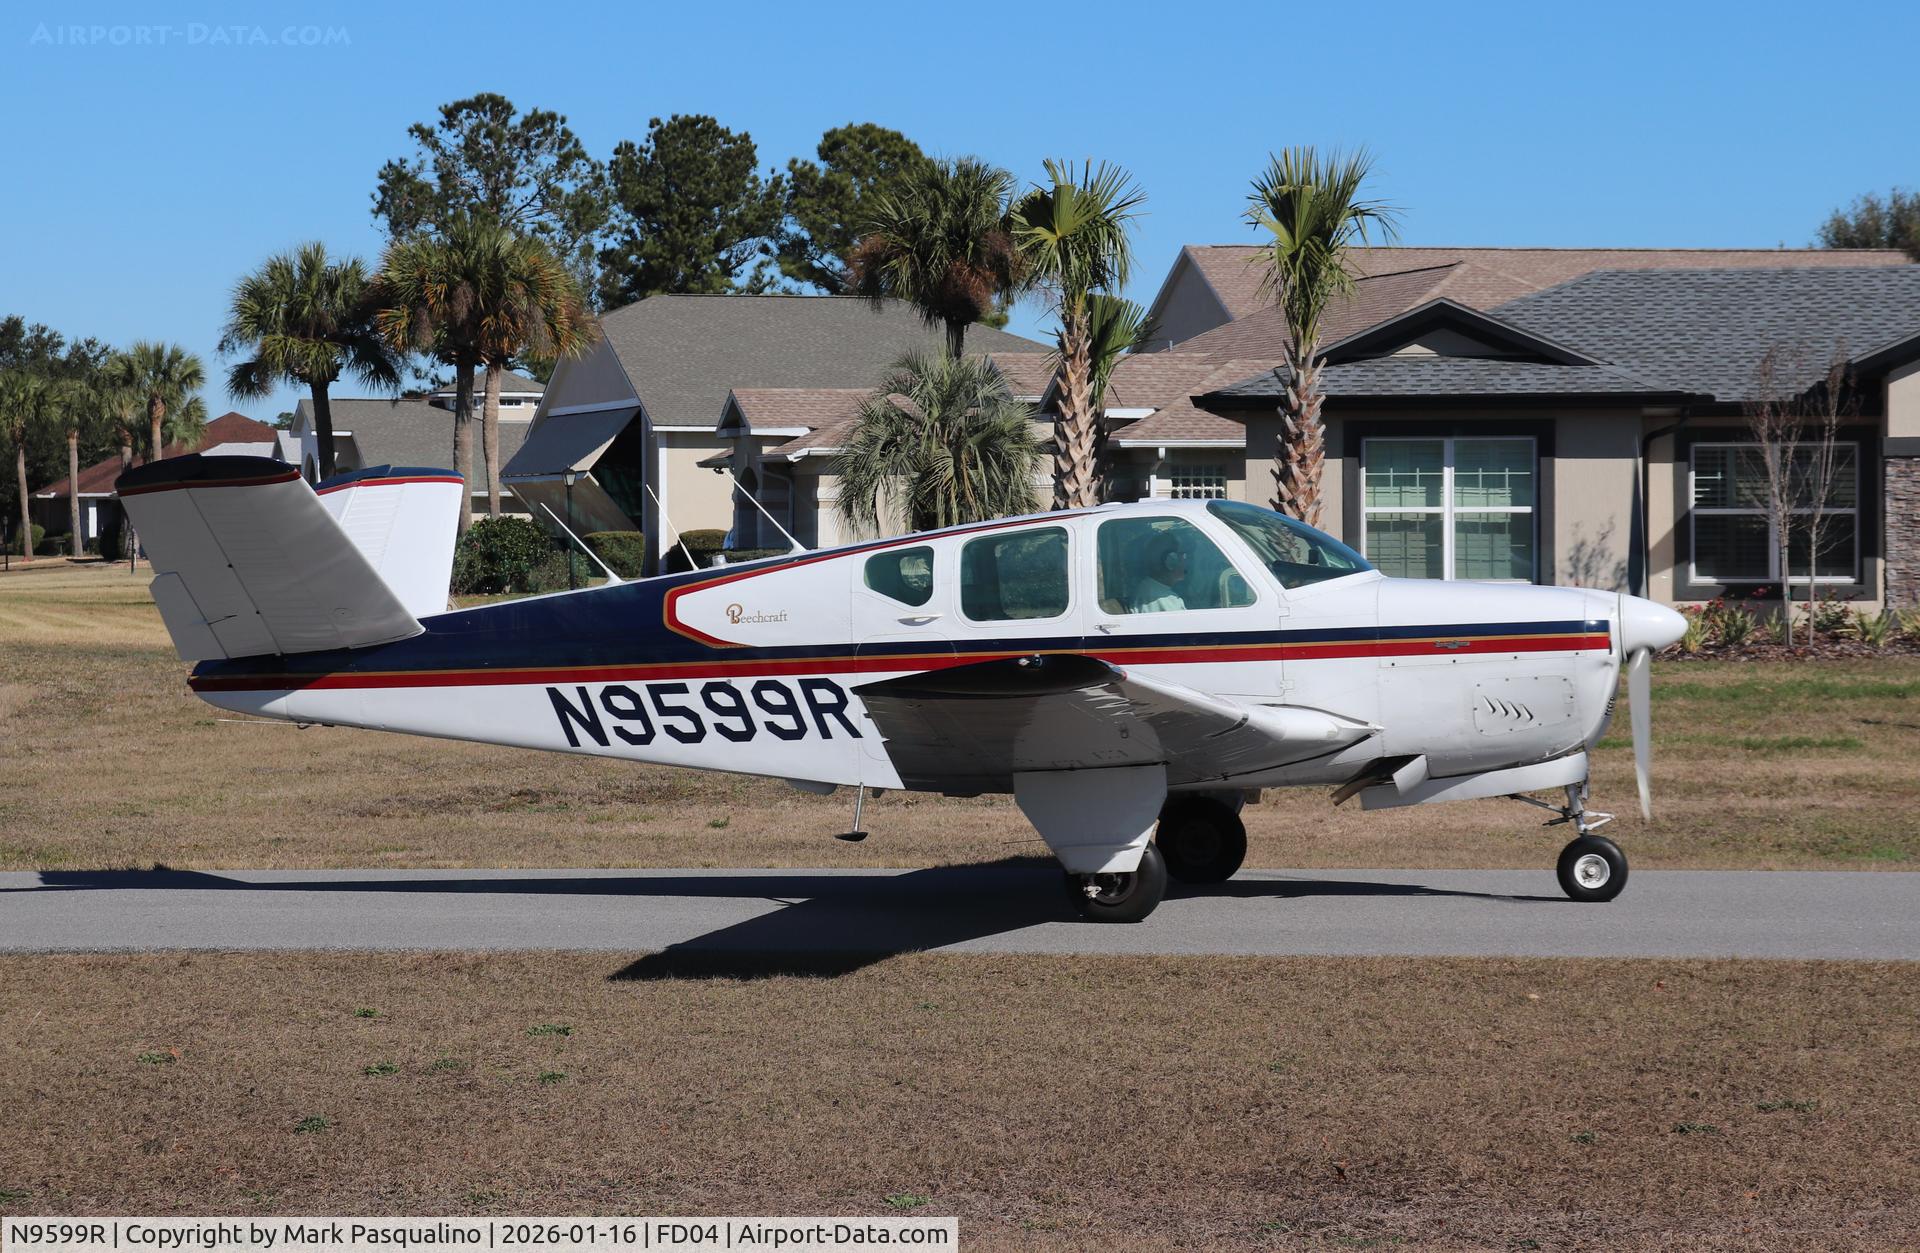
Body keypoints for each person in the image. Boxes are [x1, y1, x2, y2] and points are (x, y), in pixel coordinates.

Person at [1130, 532, 1190, 612]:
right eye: (1183, 555)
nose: (1186, 561)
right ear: (1171, 560)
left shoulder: (1148, 588)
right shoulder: (1163, 600)